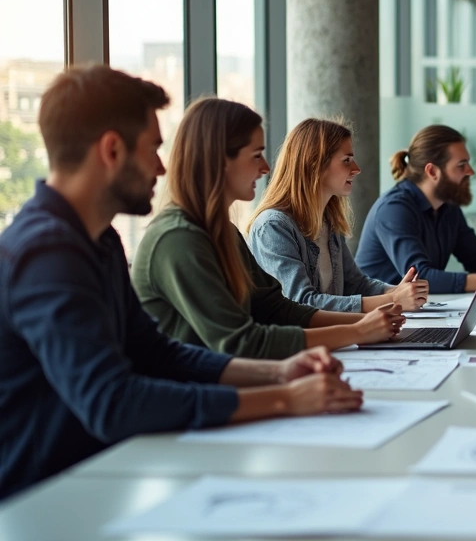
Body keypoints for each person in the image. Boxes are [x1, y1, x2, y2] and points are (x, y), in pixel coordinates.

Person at [0, 66, 364, 501]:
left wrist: (279, 372)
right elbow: (112, 403)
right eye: (153, 148)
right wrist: (285, 397)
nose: (160, 165)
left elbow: (156, 353)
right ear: (112, 150)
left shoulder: (99, 240)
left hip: (102, 477)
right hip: (46, 500)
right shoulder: (46, 253)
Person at [132, 98, 404, 359]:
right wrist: (357, 329)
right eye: (256, 155)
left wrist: (363, 326)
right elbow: (242, 343)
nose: (265, 168)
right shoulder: (179, 239)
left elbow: (277, 309)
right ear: (220, 159)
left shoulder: (224, 232)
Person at [248, 118, 429, 312]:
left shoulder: (328, 221)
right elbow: (301, 304)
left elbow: (356, 285)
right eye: (347, 160)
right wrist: (394, 300)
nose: (356, 169)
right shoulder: (273, 227)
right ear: (315, 164)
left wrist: (399, 291)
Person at [355, 124, 476, 293]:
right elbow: (420, 277)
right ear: (432, 171)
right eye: (461, 165)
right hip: (379, 315)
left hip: (419, 312)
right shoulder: (394, 209)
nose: (470, 171)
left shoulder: (448, 207)